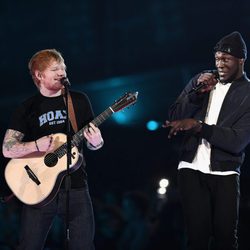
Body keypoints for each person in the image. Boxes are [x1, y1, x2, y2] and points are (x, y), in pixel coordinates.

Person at [2, 49, 104, 250]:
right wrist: (36, 145)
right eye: (55, 69)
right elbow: (7, 149)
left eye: (63, 67)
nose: (62, 72)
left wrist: (97, 141)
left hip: (76, 188)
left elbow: (94, 145)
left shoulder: (79, 100)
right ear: (39, 75)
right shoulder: (27, 108)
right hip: (38, 190)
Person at [164, 31, 250, 250]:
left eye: (226, 59)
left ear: (241, 60)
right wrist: (196, 94)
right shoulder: (201, 80)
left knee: (225, 239)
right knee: (196, 238)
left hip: (225, 172)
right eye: (217, 59)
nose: (219, 64)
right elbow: (174, 117)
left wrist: (199, 127)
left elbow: (237, 141)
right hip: (190, 168)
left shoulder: (248, 92)